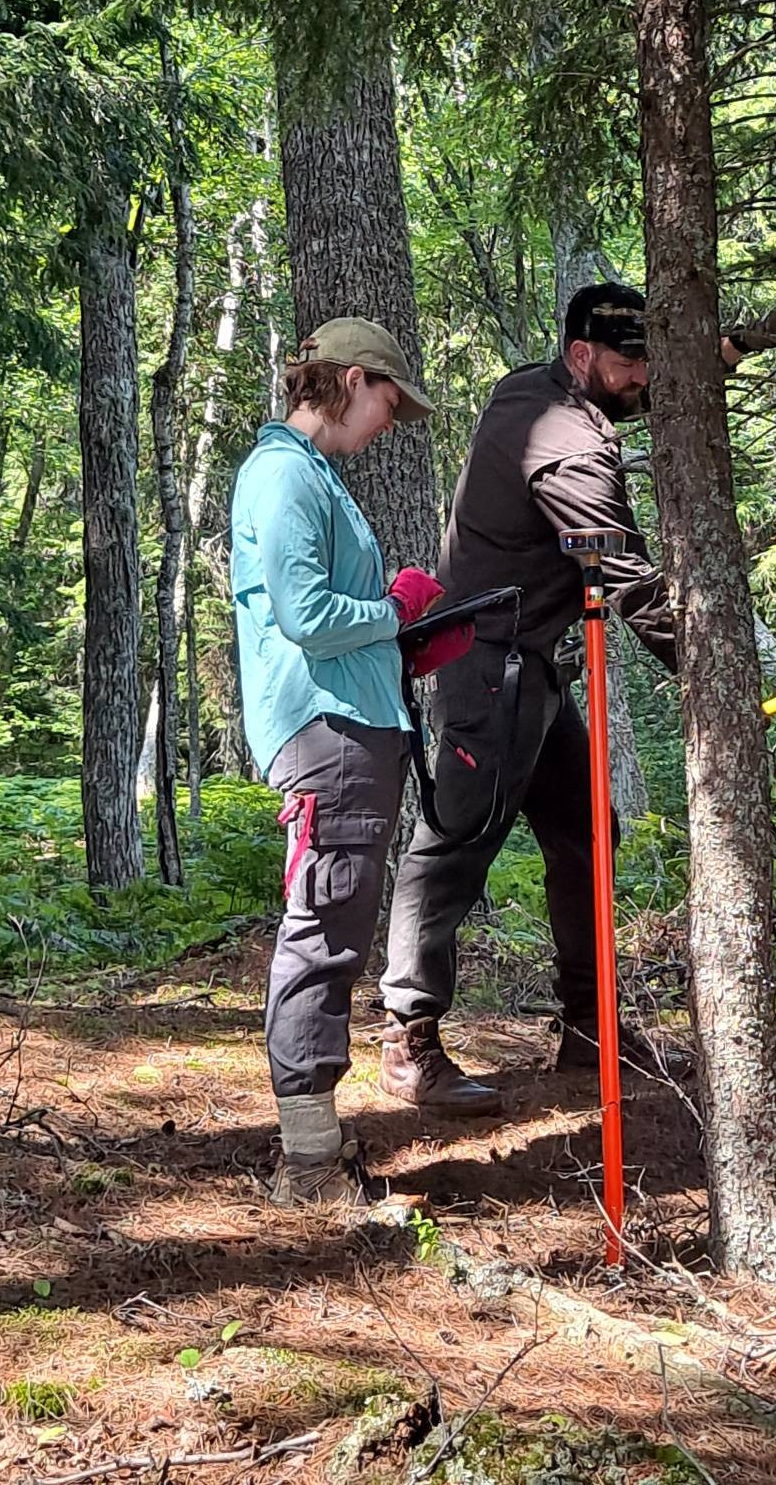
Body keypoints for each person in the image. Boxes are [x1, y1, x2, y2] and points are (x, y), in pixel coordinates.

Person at [378, 282, 776, 1115]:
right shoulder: (566, 450)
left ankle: (588, 1024)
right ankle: (405, 1036)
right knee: (455, 840)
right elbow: (634, 584)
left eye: (650, 358)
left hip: (528, 662)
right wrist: (725, 685)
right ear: (582, 356)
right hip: (488, 666)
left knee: (585, 833)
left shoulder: (540, 389)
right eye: (629, 360)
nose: (643, 377)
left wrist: (743, 343)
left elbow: (650, 388)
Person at [231, 316, 457, 1204]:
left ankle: (315, 1153)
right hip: (325, 733)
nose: (391, 426)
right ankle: (311, 1168)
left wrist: (407, 641)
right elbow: (307, 617)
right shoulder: (285, 472)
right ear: (355, 380)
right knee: (324, 930)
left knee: (337, 927)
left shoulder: (313, 475)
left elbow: (336, 623)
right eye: (391, 405)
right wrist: (396, 613)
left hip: (352, 720)